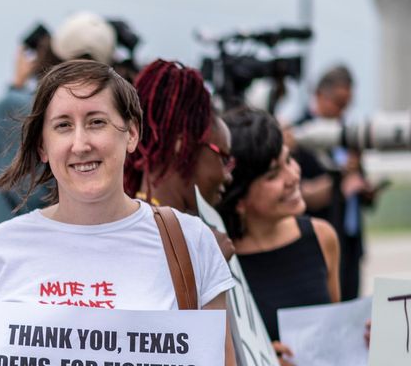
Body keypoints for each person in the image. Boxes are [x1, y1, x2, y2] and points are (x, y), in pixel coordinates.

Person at [0, 60, 235, 365]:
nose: (80, 144)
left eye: (96, 122)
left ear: (131, 134)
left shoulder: (192, 243)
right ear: (42, 147)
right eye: (63, 125)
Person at [0, 12, 113, 234]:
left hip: (4, 239)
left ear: (51, 54)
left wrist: (16, 84)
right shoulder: (107, 119)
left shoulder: (13, 105)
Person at [216, 107, 340, 364]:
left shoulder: (322, 237)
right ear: (238, 198)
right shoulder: (218, 258)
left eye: (290, 160)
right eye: (273, 175)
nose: (293, 177)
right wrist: (258, 357)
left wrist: (365, 339)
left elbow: (334, 340)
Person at [124, 59, 235, 259]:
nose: (228, 176)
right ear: (181, 145)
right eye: (223, 158)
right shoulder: (142, 237)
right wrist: (205, 264)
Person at [289, 65, 375, 301]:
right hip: (318, 241)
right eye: (338, 102)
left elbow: (356, 180)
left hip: (351, 242)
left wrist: (365, 191)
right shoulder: (298, 133)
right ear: (319, 95)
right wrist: (339, 183)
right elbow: (298, 192)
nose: (342, 111)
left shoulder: (349, 134)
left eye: (347, 104)